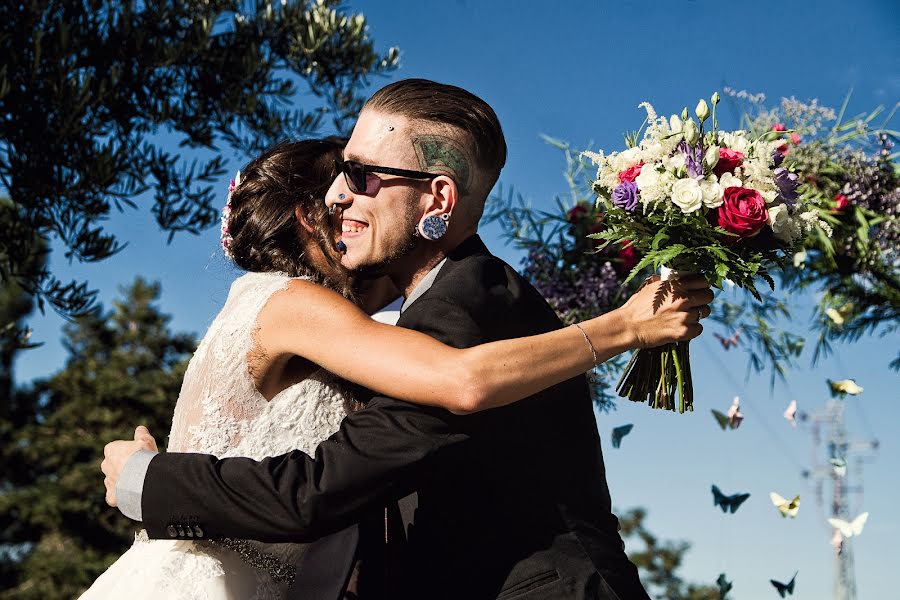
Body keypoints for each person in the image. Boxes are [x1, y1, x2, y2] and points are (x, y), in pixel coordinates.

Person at [99, 80, 714, 600]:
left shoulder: (466, 301)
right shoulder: (415, 310)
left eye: (361, 175)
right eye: (341, 173)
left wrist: (147, 481)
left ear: (438, 198)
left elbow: (321, 488)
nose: (338, 194)